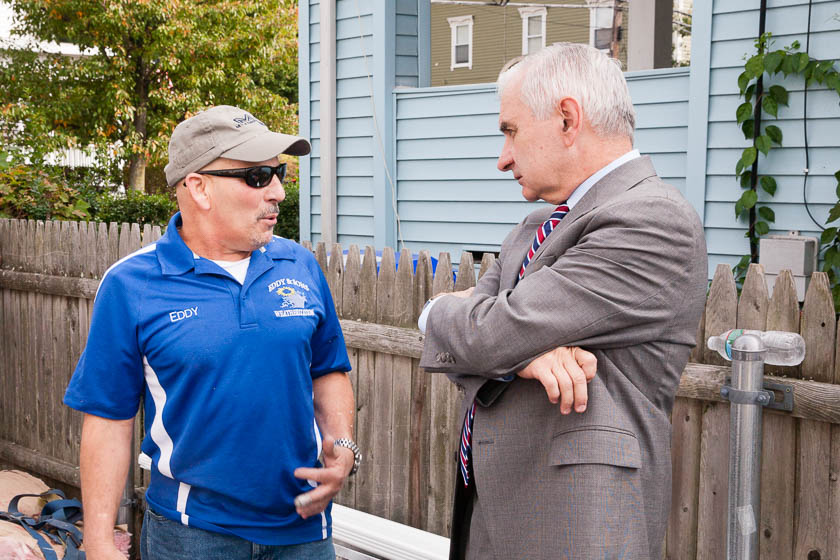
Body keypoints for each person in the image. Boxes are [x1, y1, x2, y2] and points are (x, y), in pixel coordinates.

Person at [418, 43, 708, 559]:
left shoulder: (651, 220)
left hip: (577, 523)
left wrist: (445, 314)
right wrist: (525, 352)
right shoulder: (535, 225)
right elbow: (489, 339)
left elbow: (488, 334)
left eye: (510, 130)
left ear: (567, 118)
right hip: (493, 513)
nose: (502, 157)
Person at [64, 105, 360, 560]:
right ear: (198, 187)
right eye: (259, 176)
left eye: (279, 173)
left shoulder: (300, 265)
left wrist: (341, 444)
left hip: (304, 531)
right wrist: (100, 540)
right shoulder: (131, 285)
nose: (279, 191)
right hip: (191, 536)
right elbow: (108, 418)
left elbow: (328, 370)